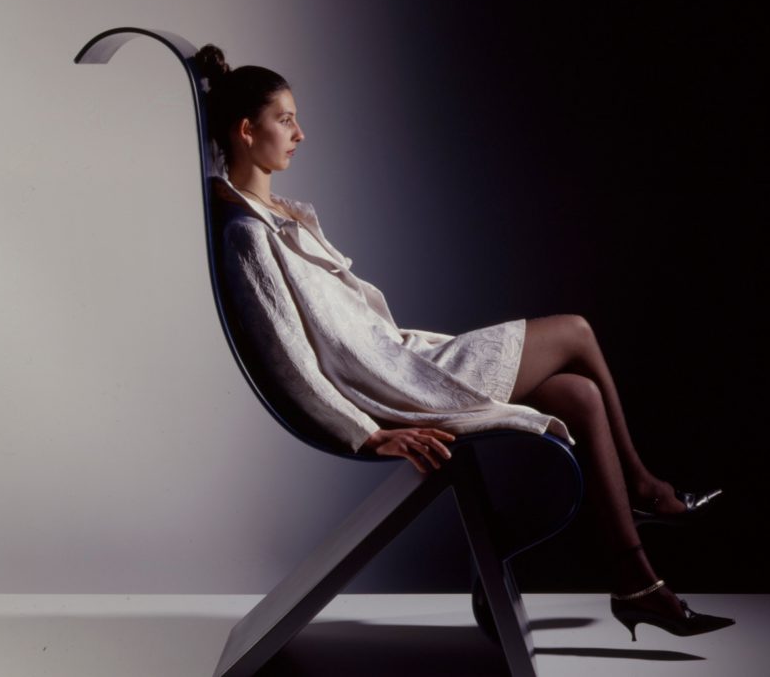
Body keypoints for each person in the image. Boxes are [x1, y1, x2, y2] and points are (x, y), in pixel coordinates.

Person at [194, 43, 735, 641]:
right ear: (247, 131)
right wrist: (369, 432)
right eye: (286, 119)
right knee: (576, 330)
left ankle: (638, 585)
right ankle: (643, 489)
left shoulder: (276, 216)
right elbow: (291, 362)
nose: (301, 132)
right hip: (395, 386)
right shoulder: (248, 233)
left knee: (578, 393)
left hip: (405, 361)